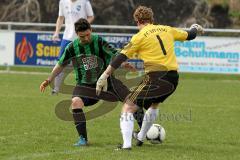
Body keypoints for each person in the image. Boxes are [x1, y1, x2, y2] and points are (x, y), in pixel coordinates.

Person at [96, 5, 204, 150]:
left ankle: (126, 146)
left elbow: (120, 57)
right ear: (152, 19)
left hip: (155, 76)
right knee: (154, 104)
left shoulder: (139, 36)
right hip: (173, 78)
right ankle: (140, 137)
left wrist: (104, 75)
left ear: (137, 21)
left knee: (128, 107)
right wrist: (195, 28)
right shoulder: (167, 29)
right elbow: (190, 35)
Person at [40, 18, 145, 146]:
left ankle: (143, 134)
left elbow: (115, 54)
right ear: (77, 34)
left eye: (88, 34)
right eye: (82, 36)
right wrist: (49, 79)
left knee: (133, 101)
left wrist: (123, 63)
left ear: (91, 30)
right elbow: (60, 65)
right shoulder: (72, 47)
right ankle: (83, 139)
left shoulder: (99, 41)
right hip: (85, 85)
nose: (86, 38)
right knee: (75, 102)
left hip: (107, 81)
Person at [52, 0, 94, 95]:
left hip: (81, 38)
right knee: (61, 62)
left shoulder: (84, 2)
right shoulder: (63, 2)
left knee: (85, 63)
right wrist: (56, 32)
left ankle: (87, 88)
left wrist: (82, 26)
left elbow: (91, 16)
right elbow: (60, 18)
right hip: (67, 38)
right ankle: (56, 89)